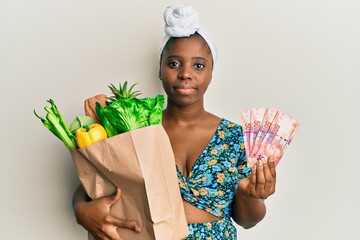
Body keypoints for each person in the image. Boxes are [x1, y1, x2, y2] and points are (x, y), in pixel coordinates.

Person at [72, 4, 276, 240]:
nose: (185, 73)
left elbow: (247, 221)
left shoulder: (235, 137)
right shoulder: (138, 129)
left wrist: (250, 195)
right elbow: (92, 183)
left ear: (211, 73)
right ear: (159, 69)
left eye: (198, 65)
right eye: (174, 63)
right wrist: (81, 211)